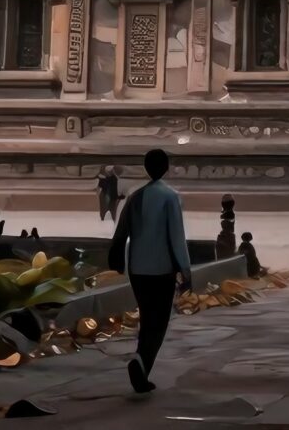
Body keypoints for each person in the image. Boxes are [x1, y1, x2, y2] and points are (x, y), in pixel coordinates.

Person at [110, 149, 191, 394]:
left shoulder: (135, 197)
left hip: (137, 269)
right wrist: (186, 270)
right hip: (161, 270)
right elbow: (176, 236)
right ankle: (141, 362)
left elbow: (120, 231)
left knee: (147, 319)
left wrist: (117, 261)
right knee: (159, 323)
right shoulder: (170, 196)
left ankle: (141, 364)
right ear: (166, 167)